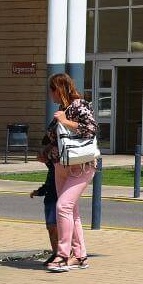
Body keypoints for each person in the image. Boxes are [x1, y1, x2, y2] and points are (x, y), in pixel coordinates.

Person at [46, 72, 97, 273]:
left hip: (81, 166)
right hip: (61, 166)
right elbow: (54, 138)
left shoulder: (79, 105)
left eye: (51, 90)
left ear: (58, 90)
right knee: (71, 211)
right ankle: (80, 256)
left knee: (63, 207)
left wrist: (66, 122)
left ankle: (62, 254)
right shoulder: (62, 108)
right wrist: (46, 153)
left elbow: (91, 129)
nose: (50, 95)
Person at [29, 128, 59, 265]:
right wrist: (39, 191)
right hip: (50, 197)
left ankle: (60, 253)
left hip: (55, 198)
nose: (38, 155)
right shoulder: (51, 164)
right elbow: (49, 182)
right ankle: (56, 252)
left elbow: (53, 182)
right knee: (51, 227)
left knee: (54, 226)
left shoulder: (56, 164)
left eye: (42, 151)